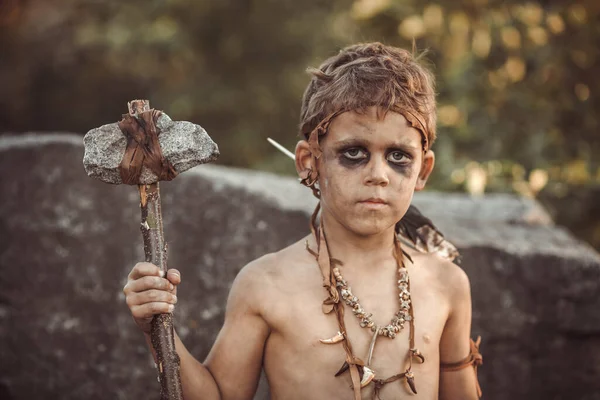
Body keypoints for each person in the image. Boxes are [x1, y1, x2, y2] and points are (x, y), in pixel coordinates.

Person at [123, 42, 482, 400]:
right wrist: (158, 328)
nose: (379, 175)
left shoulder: (447, 284)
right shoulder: (266, 285)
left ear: (424, 170)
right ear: (309, 161)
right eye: (354, 153)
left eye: (398, 156)